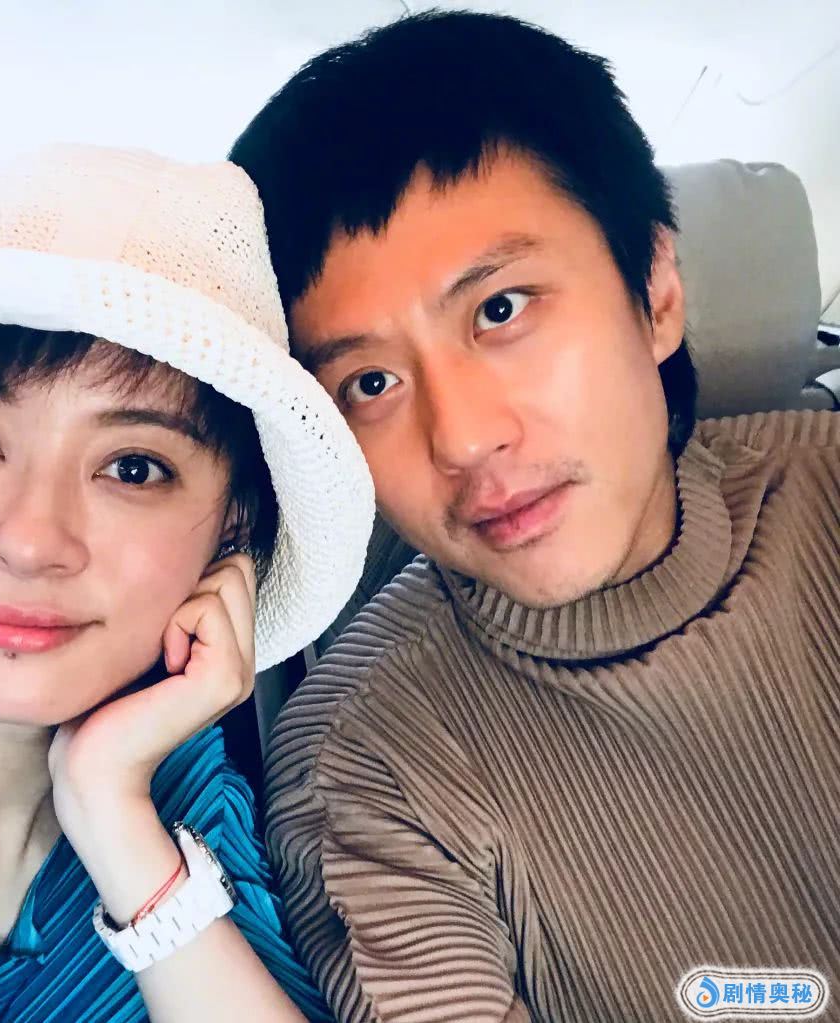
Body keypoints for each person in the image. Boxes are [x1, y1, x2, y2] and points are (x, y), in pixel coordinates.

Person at [229, 11, 840, 1023]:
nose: (464, 438)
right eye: (370, 382)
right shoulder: (368, 767)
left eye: (501, 310)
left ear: (656, 292)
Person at [0, 144, 374, 1022]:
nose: (30, 541)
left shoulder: (181, 787)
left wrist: (114, 815)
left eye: (132, 467)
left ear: (233, 525)